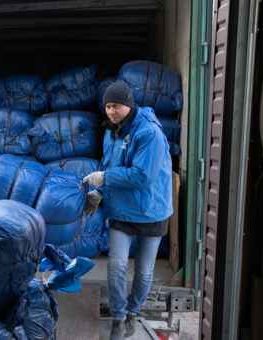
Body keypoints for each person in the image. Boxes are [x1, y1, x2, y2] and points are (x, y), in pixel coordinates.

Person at [82, 80, 172, 340]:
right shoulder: (111, 132)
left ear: (129, 105)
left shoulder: (149, 133)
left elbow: (143, 176)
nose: (112, 111)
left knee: (144, 271)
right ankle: (119, 318)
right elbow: (108, 163)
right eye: (108, 106)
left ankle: (134, 311)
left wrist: (104, 179)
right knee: (117, 266)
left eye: (117, 106)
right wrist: (99, 193)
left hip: (151, 210)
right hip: (121, 210)